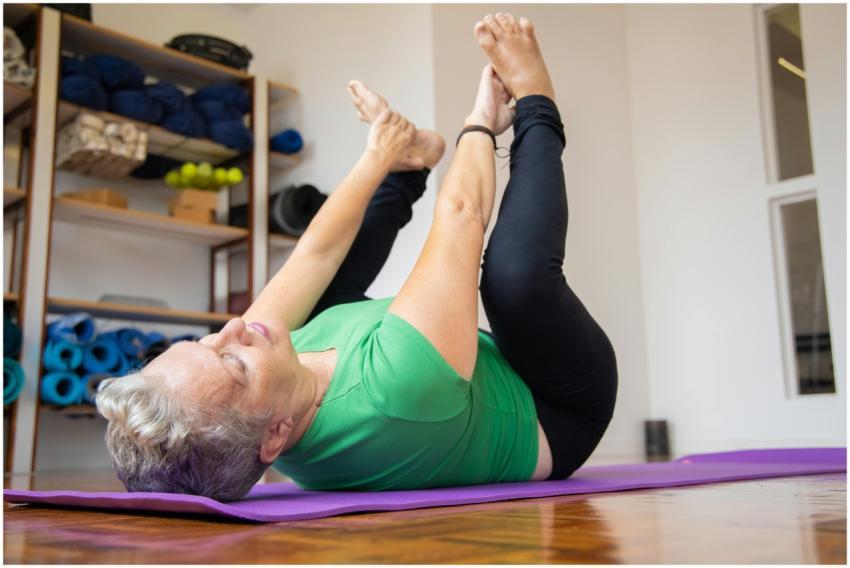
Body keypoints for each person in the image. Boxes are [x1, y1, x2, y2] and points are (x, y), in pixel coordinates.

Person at [96, 13, 617, 501]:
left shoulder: (259, 395)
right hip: (556, 405)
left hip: (457, 378)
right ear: (276, 435)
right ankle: (540, 102)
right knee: (513, 282)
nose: (234, 327)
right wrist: (485, 118)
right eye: (231, 362)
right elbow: (463, 213)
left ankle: (411, 165)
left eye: (203, 341)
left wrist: (381, 155)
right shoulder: (394, 391)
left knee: (322, 292)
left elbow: (316, 252)